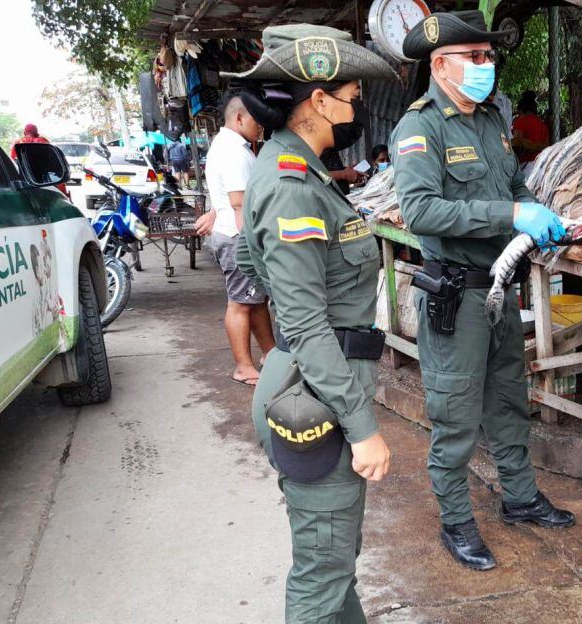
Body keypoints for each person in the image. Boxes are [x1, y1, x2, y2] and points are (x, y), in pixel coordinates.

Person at [391, 10, 575, 573]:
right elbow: (420, 209)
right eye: (475, 57)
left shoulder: (492, 117)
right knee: (455, 414)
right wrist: (509, 211)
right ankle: (457, 521)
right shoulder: (420, 128)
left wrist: (534, 207)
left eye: (489, 57)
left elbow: (511, 183)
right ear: (441, 65)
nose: (486, 66)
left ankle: (520, 498)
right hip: (456, 294)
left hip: (501, 287)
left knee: (508, 400)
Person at [226, 23, 398, 623]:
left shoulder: (298, 171)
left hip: (310, 382)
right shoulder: (292, 185)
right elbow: (301, 322)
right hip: (319, 398)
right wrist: (361, 425)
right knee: (322, 571)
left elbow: (254, 268)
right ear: (319, 102)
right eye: (352, 98)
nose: (357, 111)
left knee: (334, 558)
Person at [192, 95, 275, 387]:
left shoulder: (228, 146)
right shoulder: (234, 151)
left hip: (232, 233)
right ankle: (243, 366)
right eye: (257, 121)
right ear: (239, 118)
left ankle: (270, 354)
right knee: (240, 303)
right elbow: (240, 203)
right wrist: (253, 245)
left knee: (255, 300)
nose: (261, 127)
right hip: (238, 236)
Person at [510, 91, 550, 164]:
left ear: (521, 110)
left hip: (527, 163)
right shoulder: (542, 124)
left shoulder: (521, 121)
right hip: (542, 162)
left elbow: (516, 144)